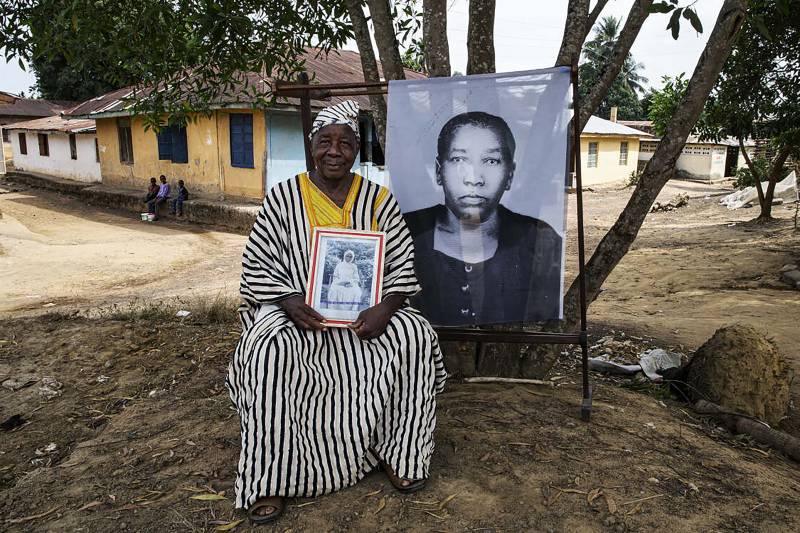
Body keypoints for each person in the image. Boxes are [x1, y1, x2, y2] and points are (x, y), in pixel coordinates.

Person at [226, 100, 447, 525]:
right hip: (296, 312)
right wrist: (289, 301)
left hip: (365, 315)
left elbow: (401, 264)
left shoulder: (379, 200)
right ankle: (268, 477)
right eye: (325, 141)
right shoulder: (282, 198)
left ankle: (399, 453)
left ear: (356, 150)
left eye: (345, 143)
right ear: (311, 146)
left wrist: (387, 306)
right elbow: (258, 263)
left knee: (415, 335)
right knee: (267, 346)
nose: (334, 151)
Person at [403, 111, 563, 326]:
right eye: (459, 159)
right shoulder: (404, 232)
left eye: (490, 161)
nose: (474, 179)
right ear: (439, 171)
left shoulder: (538, 239)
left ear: (510, 174)